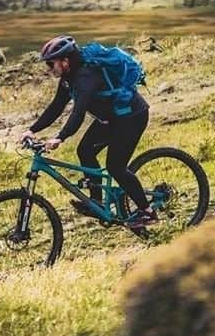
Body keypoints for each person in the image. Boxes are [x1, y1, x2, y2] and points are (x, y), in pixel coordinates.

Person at [18, 35, 157, 230]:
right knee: (85, 150)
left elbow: (78, 113)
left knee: (116, 167)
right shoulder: (68, 78)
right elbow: (56, 107)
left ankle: (147, 212)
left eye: (51, 64)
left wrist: (60, 137)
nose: (49, 69)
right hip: (110, 119)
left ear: (65, 61)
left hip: (131, 117)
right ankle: (96, 202)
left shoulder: (85, 77)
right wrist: (31, 130)